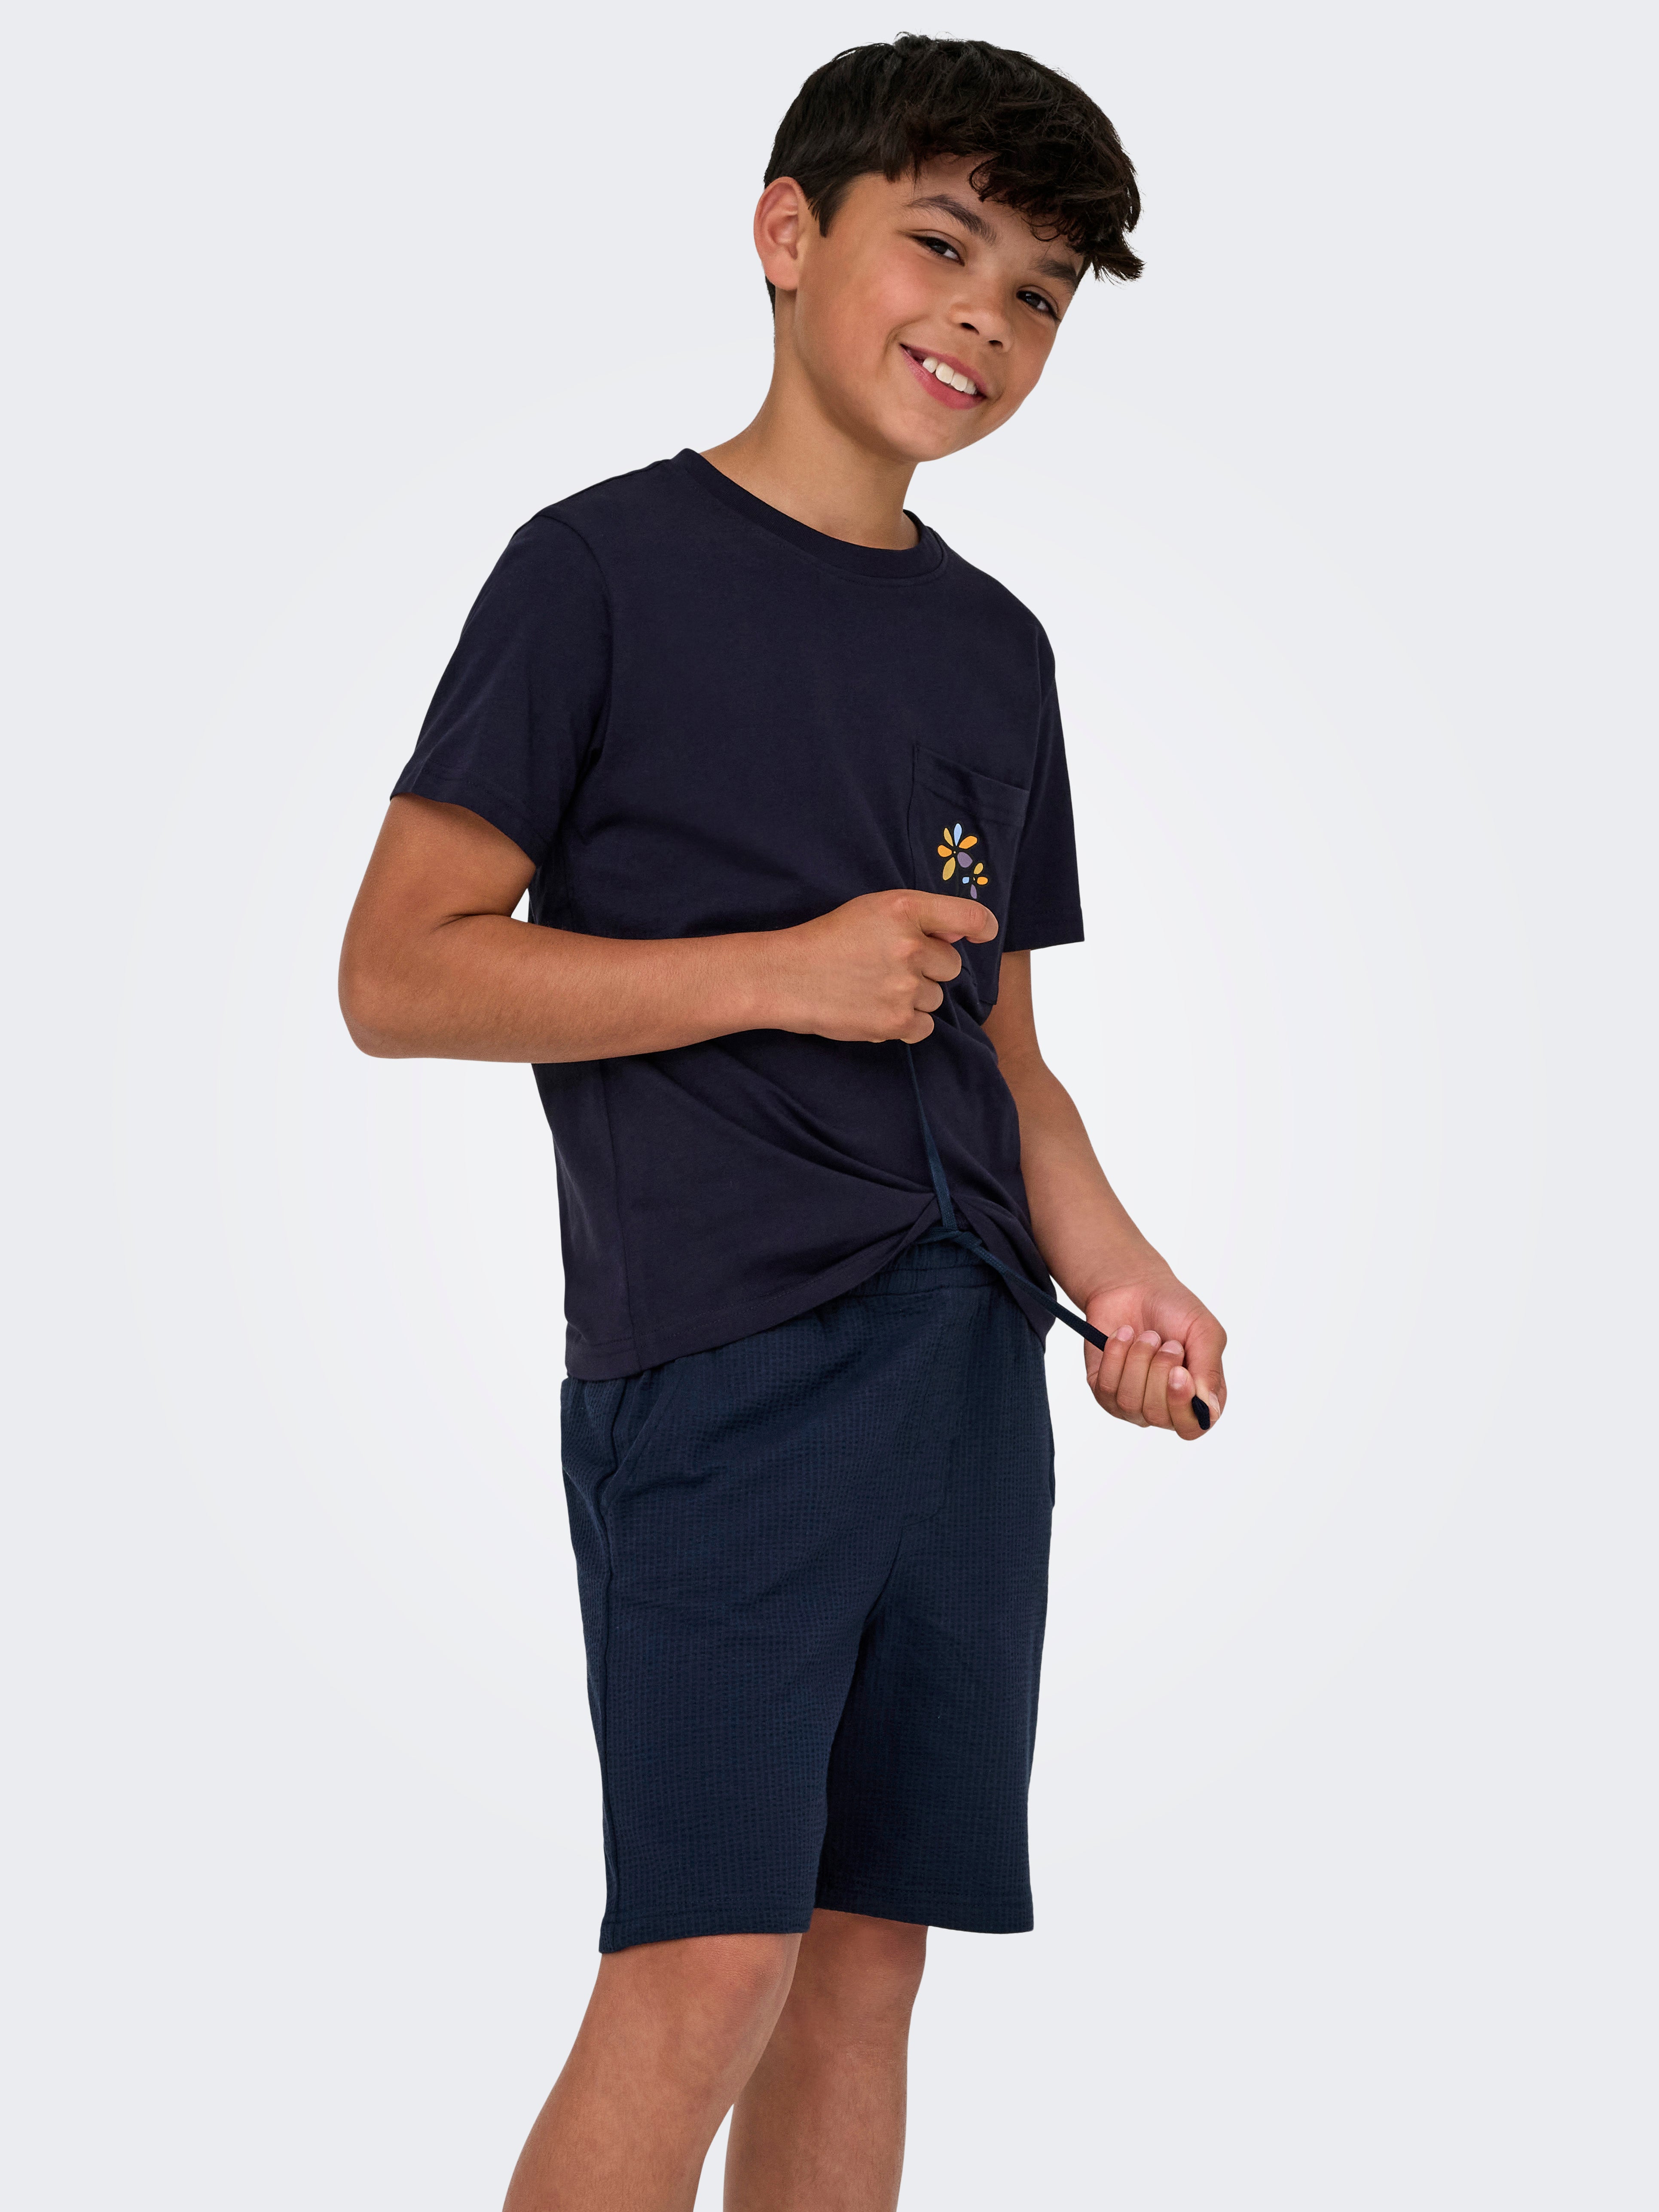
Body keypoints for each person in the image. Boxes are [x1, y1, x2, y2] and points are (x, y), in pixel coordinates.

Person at [339, 34, 1227, 2211]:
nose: (984, 320)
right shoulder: (597, 571)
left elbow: (1006, 1059)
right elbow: (399, 971)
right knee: (707, 1962)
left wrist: (1124, 1279)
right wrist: (776, 972)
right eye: (942, 246)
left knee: (860, 1971)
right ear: (785, 234)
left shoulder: (997, 652)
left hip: (964, 1367)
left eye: (1037, 295)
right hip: (721, 1368)